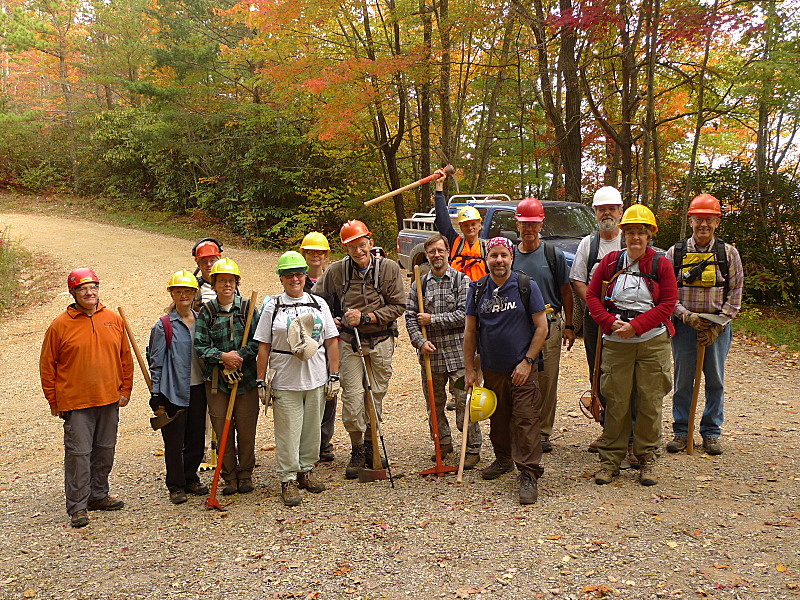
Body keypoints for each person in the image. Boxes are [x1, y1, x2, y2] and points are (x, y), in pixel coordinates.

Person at [586, 205, 677, 486]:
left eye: (641, 232)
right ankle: (610, 460)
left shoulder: (661, 264)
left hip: (652, 342)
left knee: (649, 402)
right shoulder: (611, 261)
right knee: (617, 403)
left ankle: (646, 458)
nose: (636, 237)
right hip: (616, 342)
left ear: (649, 235)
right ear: (623, 235)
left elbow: (668, 304)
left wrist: (636, 327)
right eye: (631, 232)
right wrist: (611, 323)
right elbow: (591, 297)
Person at [312, 220, 406, 479]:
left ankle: (371, 445)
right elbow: (316, 299)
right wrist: (331, 318)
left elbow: (398, 305)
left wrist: (367, 318)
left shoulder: (388, 269)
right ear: (346, 248)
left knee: (375, 398)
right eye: (352, 246)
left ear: (370, 243)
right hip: (349, 343)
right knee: (353, 402)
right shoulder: (337, 271)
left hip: (381, 340)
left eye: (362, 245)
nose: (358, 251)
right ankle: (356, 449)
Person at [39, 268, 133, 528]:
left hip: (108, 399)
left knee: (105, 450)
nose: (89, 292)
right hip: (75, 402)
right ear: (73, 292)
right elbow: (48, 365)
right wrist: (53, 400)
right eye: (83, 288)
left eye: (93, 287)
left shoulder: (113, 319)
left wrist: (125, 389)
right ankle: (78, 507)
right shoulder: (60, 324)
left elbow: (125, 357)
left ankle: (98, 495)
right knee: (79, 454)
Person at [464, 237, 549, 505]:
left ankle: (528, 473)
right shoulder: (477, 289)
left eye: (504, 255)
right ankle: (503, 459)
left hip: (522, 368)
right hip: (492, 369)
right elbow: (470, 332)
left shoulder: (526, 285)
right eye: (494, 255)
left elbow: (542, 327)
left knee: (525, 419)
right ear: (486, 259)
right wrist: (470, 369)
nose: (499, 260)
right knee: (498, 418)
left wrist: (527, 362)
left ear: (512, 258)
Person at [254, 251, 340, 506]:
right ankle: (288, 478)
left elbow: (331, 340)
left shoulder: (318, 303)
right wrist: (262, 380)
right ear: (281, 278)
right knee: (288, 431)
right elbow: (263, 346)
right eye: (289, 275)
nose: (295, 279)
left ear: (305, 276)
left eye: (298, 274)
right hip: (285, 379)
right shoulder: (273, 305)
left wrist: (334, 375)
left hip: (315, 376)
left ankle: (305, 470)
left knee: (312, 429)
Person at [666, 194, 743, 456]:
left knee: (716, 380)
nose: (703, 225)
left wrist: (718, 325)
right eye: (699, 219)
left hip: (717, 327)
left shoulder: (728, 254)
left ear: (717, 222)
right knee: (684, 379)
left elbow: (735, 293)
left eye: (709, 219)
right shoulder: (675, 253)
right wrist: (686, 316)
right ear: (691, 220)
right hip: (686, 327)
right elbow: (667, 295)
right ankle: (681, 431)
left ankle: (711, 432)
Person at [406, 234, 483, 468]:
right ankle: (443, 443)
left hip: (460, 355)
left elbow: (464, 316)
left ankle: (471, 448)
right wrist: (420, 341)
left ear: (448, 251)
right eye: (432, 252)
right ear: (427, 256)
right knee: (434, 403)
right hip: (431, 356)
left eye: (440, 250)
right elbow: (410, 319)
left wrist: (432, 320)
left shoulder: (462, 281)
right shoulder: (418, 285)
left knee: (464, 401)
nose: (436, 255)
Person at [512, 197, 575, 453]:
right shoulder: (510, 255)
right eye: (524, 224)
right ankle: (523, 428)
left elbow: (566, 291)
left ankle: (543, 432)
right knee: (521, 378)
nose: (529, 229)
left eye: (533, 224)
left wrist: (569, 325)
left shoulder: (552, 254)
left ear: (541, 225)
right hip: (518, 327)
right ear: (517, 224)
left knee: (547, 381)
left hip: (550, 323)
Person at [194, 258, 261, 495]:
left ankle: (245, 475)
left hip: (247, 380)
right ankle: (229, 476)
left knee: (246, 429)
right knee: (222, 429)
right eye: (222, 281)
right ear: (214, 284)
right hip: (217, 382)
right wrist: (223, 357)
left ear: (236, 282)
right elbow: (200, 346)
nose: (227, 285)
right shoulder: (207, 312)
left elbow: (259, 341)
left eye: (231, 281)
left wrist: (239, 356)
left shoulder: (248, 308)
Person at [570, 186, 625, 453]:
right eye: (602, 209)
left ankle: (629, 431)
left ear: (620, 211)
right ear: (595, 213)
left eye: (611, 209)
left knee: (625, 374)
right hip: (596, 320)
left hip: (627, 322)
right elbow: (578, 279)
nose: (607, 213)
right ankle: (607, 429)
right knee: (599, 371)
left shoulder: (630, 240)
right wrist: (595, 306)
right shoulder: (588, 244)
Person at [147, 270, 209, 505]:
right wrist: (156, 393)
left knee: (195, 437)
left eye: (188, 291)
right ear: (172, 293)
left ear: (195, 293)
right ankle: (175, 485)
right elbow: (157, 361)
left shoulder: (202, 320)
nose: (183, 295)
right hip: (173, 391)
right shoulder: (164, 326)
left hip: (199, 388)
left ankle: (190, 478)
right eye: (178, 291)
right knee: (174, 442)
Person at [299, 231, 338, 463]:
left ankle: (324, 442)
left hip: (330, 343)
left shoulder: (333, 279)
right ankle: (305, 441)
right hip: (305, 345)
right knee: (306, 391)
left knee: (329, 391)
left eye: (320, 252)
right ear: (304, 254)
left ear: (326, 255)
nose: (316, 256)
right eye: (312, 252)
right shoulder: (296, 278)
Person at [433, 175, 488, 281]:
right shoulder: (455, 243)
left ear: (479, 225)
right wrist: (439, 187)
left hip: (480, 294)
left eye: (473, 224)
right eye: (466, 225)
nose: (470, 228)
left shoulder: (487, 248)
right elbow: (442, 219)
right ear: (461, 227)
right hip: (457, 294)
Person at [192, 238, 224, 307]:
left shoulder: (228, 284)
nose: (208, 264)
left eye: (212, 260)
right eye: (204, 261)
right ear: (198, 264)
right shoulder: (193, 288)